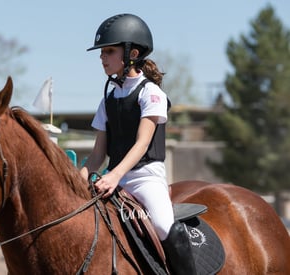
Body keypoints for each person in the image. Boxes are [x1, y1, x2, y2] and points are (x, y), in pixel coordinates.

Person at [80, 14, 196, 275]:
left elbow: (142, 144)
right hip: (115, 180)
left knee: (166, 226)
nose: (102, 57)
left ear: (132, 53)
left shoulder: (151, 93)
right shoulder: (107, 99)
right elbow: (98, 153)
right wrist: (77, 180)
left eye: (109, 51)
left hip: (145, 179)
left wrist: (114, 176)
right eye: (102, 52)